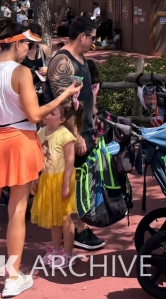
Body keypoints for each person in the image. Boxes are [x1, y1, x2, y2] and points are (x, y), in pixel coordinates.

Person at [0, 21, 81, 298]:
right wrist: (66, 95)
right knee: (17, 212)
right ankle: (12, 278)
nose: (29, 51)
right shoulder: (21, 72)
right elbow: (35, 116)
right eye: (28, 45)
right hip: (20, 142)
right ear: (18, 43)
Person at [46, 17, 106, 252]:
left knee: (79, 182)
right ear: (82, 36)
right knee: (68, 182)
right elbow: (65, 105)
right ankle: (77, 230)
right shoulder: (62, 62)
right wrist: (76, 135)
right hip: (68, 134)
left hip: (85, 129)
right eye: (92, 37)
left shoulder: (81, 59)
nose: (93, 41)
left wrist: (95, 117)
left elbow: (84, 98)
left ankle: (77, 226)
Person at [31, 99, 80, 264]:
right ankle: (56, 249)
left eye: (53, 113)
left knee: (65, 217)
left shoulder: (65, 135)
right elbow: (37, 159)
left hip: (61, 178)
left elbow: (70, 162)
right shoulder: (40, 133)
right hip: (47, 179)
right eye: (48, 110)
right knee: (54, 218)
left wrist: (66, 184)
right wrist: (34, 179)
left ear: (62, 119)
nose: (47, 114)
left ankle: (68, 252)